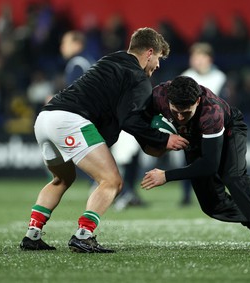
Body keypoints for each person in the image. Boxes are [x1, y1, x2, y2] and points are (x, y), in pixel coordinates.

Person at [19, 27, 189, 253]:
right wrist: (163, 139)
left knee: (61, 178)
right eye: (158, 58)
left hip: (45, 118)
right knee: (112, 181)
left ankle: (32, 235)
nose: (158, 65)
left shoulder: (110, 59)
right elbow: (129, 119)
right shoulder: (137, 78)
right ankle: (84, 235)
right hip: (70, 121)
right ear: (149, 52)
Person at [141, 76, 250, 255]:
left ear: (197, 101)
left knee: (234, 177)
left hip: (229, 130)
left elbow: (209, 165)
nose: (180, 117)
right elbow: (138, 124)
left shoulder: (211, 112)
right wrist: (161, 140)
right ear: (168, 101)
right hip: (193, 137)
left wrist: (166, 176)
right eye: (175, 111)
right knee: (212, 205)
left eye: (186, 113)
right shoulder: (158, 95)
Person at [178, 42, 227, 205]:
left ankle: (215, 195)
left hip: (213, 127)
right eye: (194, 57)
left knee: (213, 162)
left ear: (209, 59)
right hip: (191, 127)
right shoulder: (186, 76)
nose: (197, 60)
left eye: (200, 57)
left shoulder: (220, 78)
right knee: (188, 161)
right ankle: (186, 196)